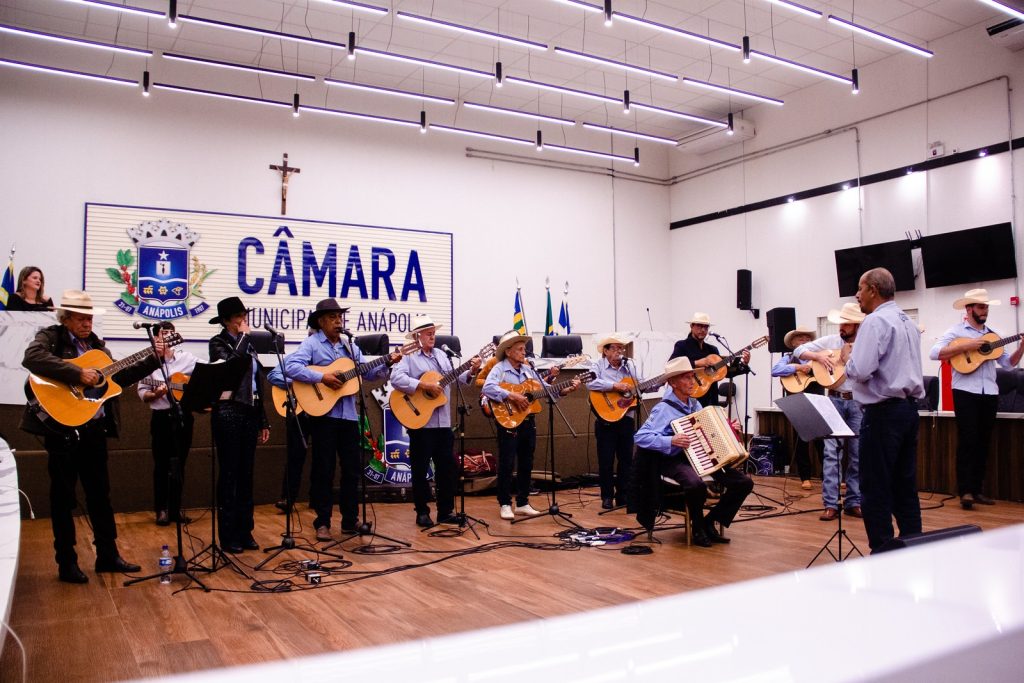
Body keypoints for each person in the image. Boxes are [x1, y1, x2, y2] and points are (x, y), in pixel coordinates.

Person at [21, 289, 157, 583]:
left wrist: (154, 359)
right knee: (63, 498)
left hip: (95, 429)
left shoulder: (97, 347)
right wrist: (75, 374)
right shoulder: (52, 337)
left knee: (100, 495)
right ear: (66, 318)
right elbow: (32, 358)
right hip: (63, 431)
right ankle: (66, 562)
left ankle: (107, 555)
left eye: (90, 318)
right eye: (81, 318)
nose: (87, 323)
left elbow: (117, 379)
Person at [284, 298, 401, 541]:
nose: (338, 321)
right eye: (332, 318)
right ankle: (322, 522)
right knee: (323, 470)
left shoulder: (350, 347)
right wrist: (322, 377)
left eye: (340, 317)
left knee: (352, 470)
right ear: (321, 321)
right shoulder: (312, 344)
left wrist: (387, 362)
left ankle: (350, 520)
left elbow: (368, 372)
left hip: (349, 416)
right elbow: (291, 367)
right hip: (324, 416)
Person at [842, 268, 924, 553]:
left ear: (873, 290)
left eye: (860, 288)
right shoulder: (908, 322)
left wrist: (847, 360)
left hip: (883, 414)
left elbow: (862, 370)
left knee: (875, 489)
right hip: (908, 411)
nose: (857, 295)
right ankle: (914, 545)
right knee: (904, 486)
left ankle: (883, 554)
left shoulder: (875, 322)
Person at [634, 357, 753, 547]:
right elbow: (640, 437)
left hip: (700, 457)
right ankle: (697, 527)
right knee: (695, 484)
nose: (692, 382)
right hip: (673, 460)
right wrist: (670, 440)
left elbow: (708, 431)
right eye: (686, 378)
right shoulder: (663, 409)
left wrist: (730, 429)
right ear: (673, 383)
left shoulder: (694, 404)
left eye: (692, 377)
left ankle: (710, 520)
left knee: (744, 482)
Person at [929, 288, 1022, 510]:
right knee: (968, 440)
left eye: (986, 307)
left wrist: (1022, 347)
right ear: (969, 308)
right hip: (965, 392)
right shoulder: (956, 331)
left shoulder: (994, 335)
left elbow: (1009, 364)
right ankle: (965, 491)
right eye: (981, 307)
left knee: (983, 442)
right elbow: (935, 352)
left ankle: (977, 489)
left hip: (989, 393)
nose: (985, 311)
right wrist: (968, 346)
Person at [390, 315, 481, 527]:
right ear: (416, 335)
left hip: (443, 424)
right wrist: (423, 386)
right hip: (421, 423)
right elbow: (396, 379)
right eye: (427, 331)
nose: (432, 335)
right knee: (420, 470)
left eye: (433, 331)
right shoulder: (408, 355)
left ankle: (445, 512)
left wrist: (472, 370)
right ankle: (422, 512)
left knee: (446, 468)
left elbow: (459, 379)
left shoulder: (442, 355)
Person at [482, 330, 581, 520]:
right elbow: (487, 387)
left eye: (524, 349)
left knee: (527, 462)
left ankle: (522, 502)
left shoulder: (529, 370)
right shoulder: (499, 368)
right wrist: (512, 395)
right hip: (508, 420)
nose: (524, 352)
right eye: (519, 349)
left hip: (528, 421)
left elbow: (545, 390)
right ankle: (504, 503)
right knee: (507, 462)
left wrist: (566, 389)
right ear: (508, 351)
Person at [208, 296, 270, 554]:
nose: (244, 321)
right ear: (226, 321)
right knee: (230, 475)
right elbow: (232, 366)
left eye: (245, 316)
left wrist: (262, 420)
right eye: (239, 317)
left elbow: (257, 384)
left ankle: (246, 531)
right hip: (228, 412)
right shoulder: (218, 343)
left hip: (250, 411)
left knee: (246, 475)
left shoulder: (251, 345)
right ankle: (228, 534)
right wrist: (243, 339)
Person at [793, 303, 866, 521]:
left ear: (856, 325)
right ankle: (831, 503)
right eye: (840, 323)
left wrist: (848, 361)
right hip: (834, 400)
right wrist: (817, 357)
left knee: (857, 454)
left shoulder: (866, 344)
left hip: (857, 402)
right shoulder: (830, 342)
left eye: (845, 323)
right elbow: (798, 351)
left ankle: (854, 501)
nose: (841, 327)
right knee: (831, 453)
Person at [137, 321, 200, 526]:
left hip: (183, 416)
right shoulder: (148, 363)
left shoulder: (187, 359)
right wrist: (155, 393)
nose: (168, 338)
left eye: (171, 334)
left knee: (180, 464)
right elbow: (142, 392)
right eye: (164, 335)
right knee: (162, 465)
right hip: (161, 418)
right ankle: (161, 510)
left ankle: (176, 509)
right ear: (155, 338)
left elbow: (205, 373)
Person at [586, 333, 645, 509]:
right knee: (606, 459)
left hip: (626, 418)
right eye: (615, 347)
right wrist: (614, 386)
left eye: (622, 347)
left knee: (626, 459)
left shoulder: (629, 367)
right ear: (605, 351)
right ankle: (606, 496)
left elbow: (639, 385)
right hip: (605, 418)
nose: (620, 351)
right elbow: (590, 383)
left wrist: (656, 383)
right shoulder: (597, 365)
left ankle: (623, 495)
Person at [770, 326, 822, 490]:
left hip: (817, 400)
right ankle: (804, 477)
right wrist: (798, 368)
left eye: (808, 339)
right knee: (801, 440)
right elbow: (775, 370)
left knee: (823, 440)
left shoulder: (818, 358)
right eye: (801, 339)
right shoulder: (788, 357)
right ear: (793, 343)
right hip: (797, 402)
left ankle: (830, 476)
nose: (805, 342)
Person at [670, 312, 750, 408]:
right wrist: (698, 363)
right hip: (692, 400)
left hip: (712, 399)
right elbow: (672, 368)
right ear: (691, 326)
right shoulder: (682, 346)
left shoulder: (712, 349)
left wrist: (743, 364)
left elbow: (726, 372)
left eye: (706, 327)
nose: (703, 330)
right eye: (700, 326)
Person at [265, 363, 312, 515]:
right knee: (295, 456)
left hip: (325, 414)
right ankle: (288, 498)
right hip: (300, 413)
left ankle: (318, 499)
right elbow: (272, 375)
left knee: (323, 457)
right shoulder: (298, 358)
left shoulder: (331, 359)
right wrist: (300, 385)